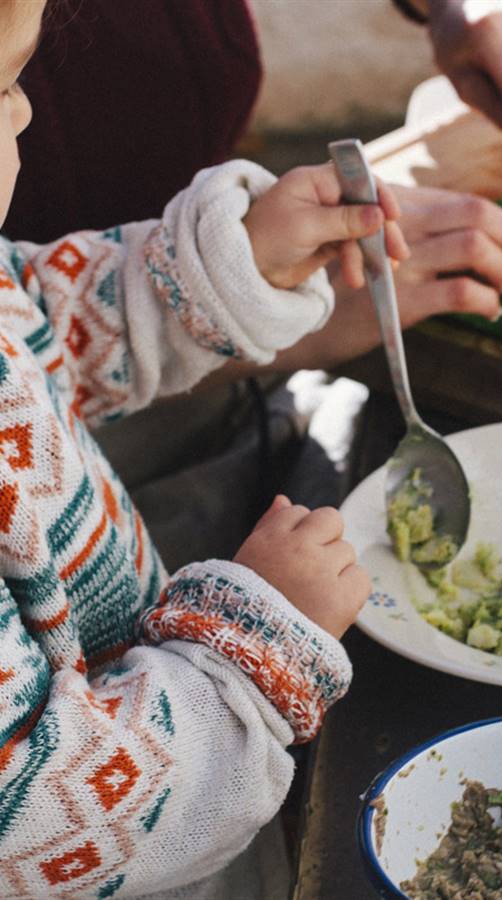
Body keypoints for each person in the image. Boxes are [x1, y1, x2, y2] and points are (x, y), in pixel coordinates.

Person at [0, 1, 413, 896]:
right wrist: (250, 652)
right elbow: (27, 817)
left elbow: (36, 323)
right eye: (0, 86)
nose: (26, 108)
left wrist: (223, 266)